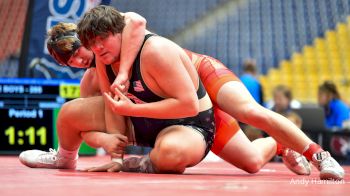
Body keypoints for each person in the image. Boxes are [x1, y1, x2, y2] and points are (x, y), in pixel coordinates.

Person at [21, 6, 344, 179]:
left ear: (93, 35)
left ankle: (318, 154)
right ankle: (275, 141)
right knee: (250, 163)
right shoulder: (97, 72)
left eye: (80, 50)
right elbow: (107, 115)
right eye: (71, 60)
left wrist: (122, 74)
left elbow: (135, 21)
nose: (81, 59)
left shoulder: (126, 33)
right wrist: (109, 145)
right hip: (170, 107)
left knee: (249, 111)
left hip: (196, 76)